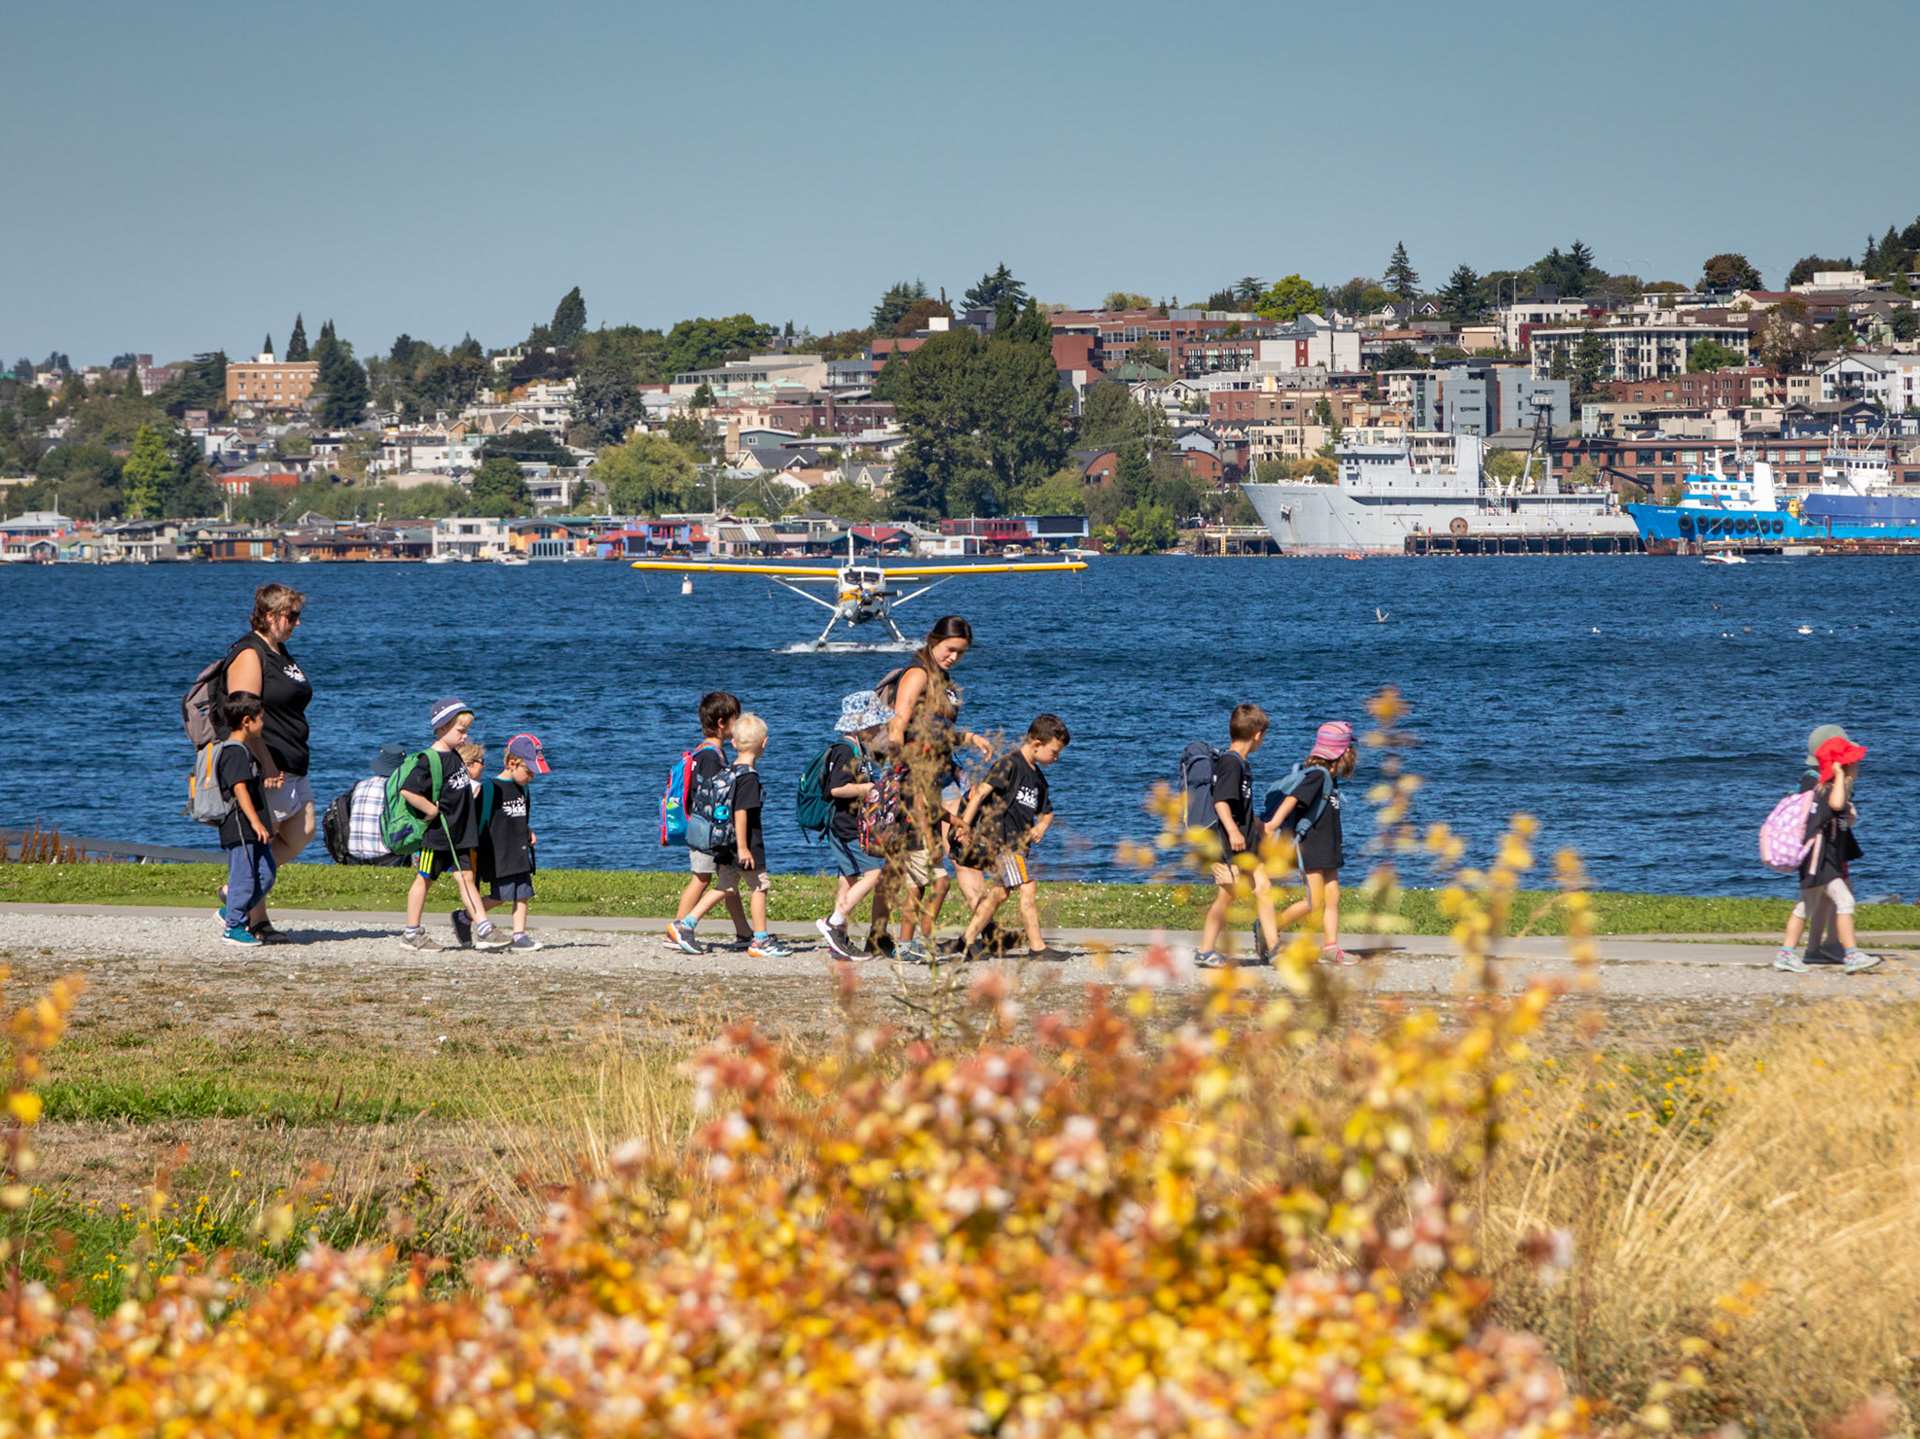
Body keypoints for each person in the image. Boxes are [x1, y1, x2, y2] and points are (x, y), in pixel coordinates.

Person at [881, 616, 994, 955]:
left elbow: (936, 733)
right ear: (933, 640)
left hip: (943, 775)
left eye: (961, 653)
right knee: (923, 866)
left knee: (955, 850)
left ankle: (977, 928)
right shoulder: (917, 674)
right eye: (950, 650)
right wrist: (904, 771)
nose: (954, 657)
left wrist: (970, 737)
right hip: (918, 778)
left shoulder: (943, 679)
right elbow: (898, 725)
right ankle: (901, 940)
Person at [221, 583, 314, 943]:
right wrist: (268, 763)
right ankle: (254, 918)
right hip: (268, 766)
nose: (296, 623)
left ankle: (235, 892)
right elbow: (244, 714)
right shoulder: (250, 653)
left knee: (302, 830)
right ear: (271, 616)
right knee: (262, 839)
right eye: (291, 616)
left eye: (297, 616)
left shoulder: (280, 651)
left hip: (294, 759)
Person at [956, 714, 1072, 962]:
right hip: (1001, 840)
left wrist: (1041, 826)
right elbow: (979, 793)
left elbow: (1048, 812)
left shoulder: (1038, 778)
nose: (1056, 758)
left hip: (1018, 844)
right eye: (1054, 752)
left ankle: (966, 941)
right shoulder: (1010, 764)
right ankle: (1037, 947)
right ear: (1037, 744)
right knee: (1027, 886)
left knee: (1000, 893)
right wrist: (965, 825)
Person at [398, 699, 506, 953]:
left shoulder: (456, 756)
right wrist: (431, 810)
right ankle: (411, 932)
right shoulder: (430, 759)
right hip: (437, 835)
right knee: (424, 880)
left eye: (466, 731)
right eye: (461, 731)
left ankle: (484, 927)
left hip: (460, 833)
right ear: (443, 728)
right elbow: (408, 790)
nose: (465, 736)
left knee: (467, 879)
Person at [685, 713, 790, 959]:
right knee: (759, 886)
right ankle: (760, 940)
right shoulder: (749, 777)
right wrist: (744, 847)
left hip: (726, 842)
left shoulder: (729, 771)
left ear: (733, 743)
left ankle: (686, 923)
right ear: (764, 744)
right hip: (746, 845)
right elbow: (741, 812)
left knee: (725, 886)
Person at [1776, 733, 1879, 975]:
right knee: (1845, 901)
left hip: (1816, 862)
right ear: (1841, 765)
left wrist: (1848, 811)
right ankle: (1851, 955)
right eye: (1853, 761)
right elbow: (1835, 805)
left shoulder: (1822, 789)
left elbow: (1839, 812)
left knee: (1804, 908)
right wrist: (1840, 776)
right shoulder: (1828, 789)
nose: (1858, 765)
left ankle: (1786, 954)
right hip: (1820, 862)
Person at [664, 692, 752, 954]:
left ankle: (744, 932)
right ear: (723, 723)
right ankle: (677, 929)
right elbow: (715, 795)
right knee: (702, 879)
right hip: (708, 831)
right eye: (736, 720)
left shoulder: (704, 753)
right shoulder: (712, 757)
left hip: (703, 827)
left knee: (728, 879)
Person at [1196, 704, 1281, 969]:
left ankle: (1275, 947)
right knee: (1226, 896)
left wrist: (1258, 825)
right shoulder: (1231, 763)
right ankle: (1205, 950)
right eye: (1264, 735)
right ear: (1257, 734)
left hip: (1246, 842)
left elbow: (1241, 805)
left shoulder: (1241, 763)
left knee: (1264, 888)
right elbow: (1221, 801)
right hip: (1231, 845)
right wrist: (1233, 831)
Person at [1270, 720, 1357, 966]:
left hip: (1328, 847)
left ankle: (1331, 947)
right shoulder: (1317, 777)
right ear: (1342, 752)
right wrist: (1272, 824)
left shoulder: (1329, 778)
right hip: (1311, 848)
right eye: (1351, 749)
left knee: (1333, 897)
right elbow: (1293, 799)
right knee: (1314, 901)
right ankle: (1269, 926)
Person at [815, 690, 893, 961]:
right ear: (861, 725)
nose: (879, 729)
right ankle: (834, 921)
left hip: (853, 824)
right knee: (874, 875)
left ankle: (839, 940)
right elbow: (836, 789)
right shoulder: (845, 750)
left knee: (847, 879)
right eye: (875, 725)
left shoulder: (858, 750)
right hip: (846, 825)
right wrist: (869, 788)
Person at [473, 733, 549, 953]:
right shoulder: (489, 789)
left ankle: (519, 934)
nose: (531, 777)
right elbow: (481, 823)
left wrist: (528, 830)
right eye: (529, 771)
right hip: (499, 853)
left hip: (519, 850)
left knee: (523, 892)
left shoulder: (523, 789)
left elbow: (522, 816)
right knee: (501, 896)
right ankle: (468, 914)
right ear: (512, 763)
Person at [216, 693, 277, 947]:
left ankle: (231, 911)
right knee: (244, 876)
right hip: (241, 825)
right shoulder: (234, 752)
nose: (263, 724)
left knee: (266, 873)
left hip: (253, 827)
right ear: (246, 721)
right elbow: (239, 788)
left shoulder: (243, 751)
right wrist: (255, 821)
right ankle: (233, 927)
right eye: (260, 719)